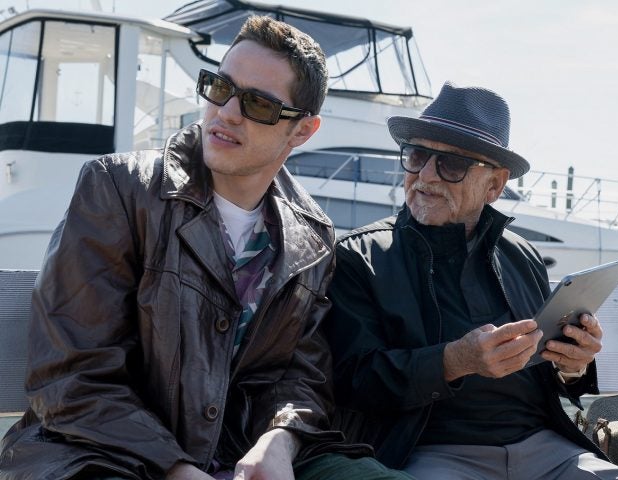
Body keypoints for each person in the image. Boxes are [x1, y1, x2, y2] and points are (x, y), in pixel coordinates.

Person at [0, 15, 410, 480]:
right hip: (101, 455)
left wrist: (280, 440)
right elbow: (73, 374)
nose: (227, 112)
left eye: (258, 104)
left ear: (302, 131)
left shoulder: (311, 237)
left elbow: (300, 375)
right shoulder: (118, 188)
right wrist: (176, 467)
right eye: (220, 87)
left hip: (238, 456)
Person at [325, 82, 618, 479]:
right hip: (432, 453)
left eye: (450, 164)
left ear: (494, 185)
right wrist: (454, 361)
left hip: (547, 449)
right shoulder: (359, 256)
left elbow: (553, 377)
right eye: (417, 155)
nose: (425, 175)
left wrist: (574, 364)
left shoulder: (523, 255)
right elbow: (351, 380)